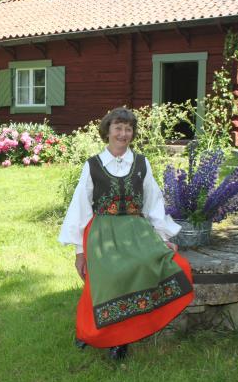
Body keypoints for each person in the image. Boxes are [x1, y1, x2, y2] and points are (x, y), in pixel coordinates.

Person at [58, 107, 195, 360]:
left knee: (165, 267)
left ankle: (123, 337)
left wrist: (164, 238)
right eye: (118, 128)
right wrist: (80, 251)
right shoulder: (93, 166)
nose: (123, 134)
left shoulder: (142, 164)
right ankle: (92, 332)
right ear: (107, 131)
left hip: (136, 231)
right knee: (110, 276)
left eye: (128, 129)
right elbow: (80, 208)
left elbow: (153, 202)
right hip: (102, 232)